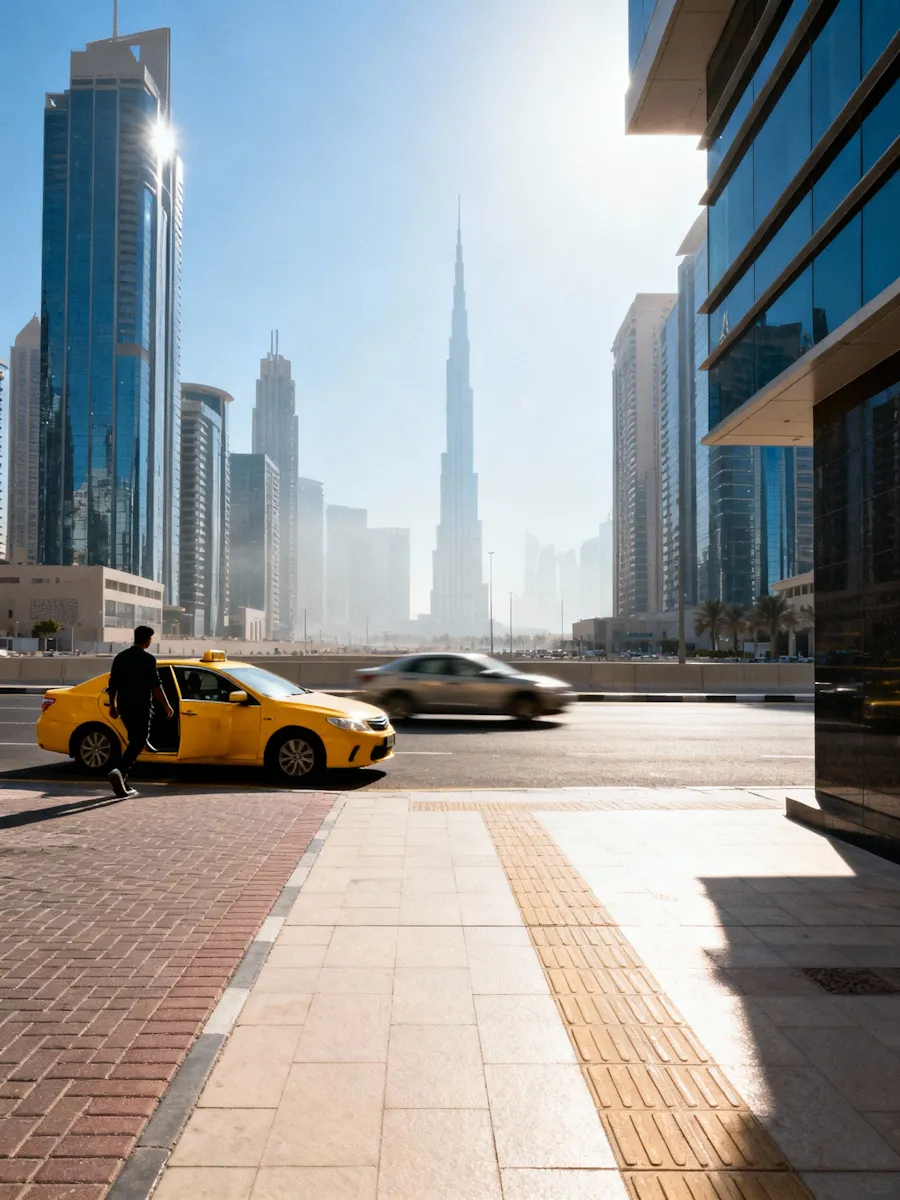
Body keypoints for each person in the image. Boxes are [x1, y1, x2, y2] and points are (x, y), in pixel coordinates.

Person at [107, 626, 174, 799]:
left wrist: (112, 706)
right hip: (142, 706)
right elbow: (156, 686)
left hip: (124, 706)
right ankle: (119, 772)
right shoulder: (148, 659)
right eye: (150, 639)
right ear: (146, 640)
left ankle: (123, 780)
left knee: (134, 740)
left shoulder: (120, 658)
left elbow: (113, 683)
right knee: (139, 741)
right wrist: (167, 705)